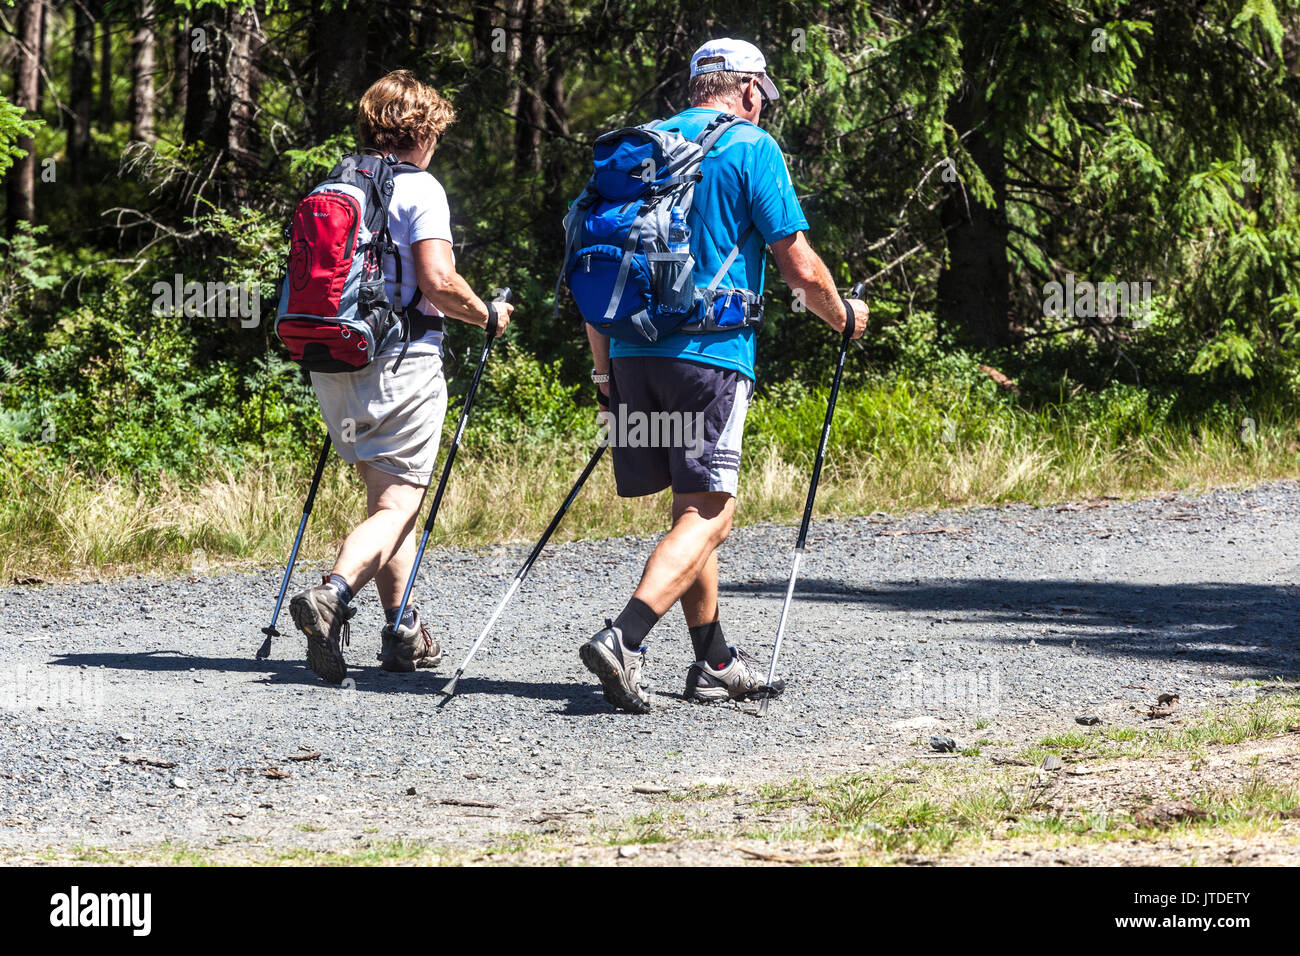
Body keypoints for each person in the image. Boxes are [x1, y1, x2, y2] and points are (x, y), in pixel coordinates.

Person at [578, 38, 868, 713]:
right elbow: (796, 261)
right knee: (712, 513)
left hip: (628, 352)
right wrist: (844, 318)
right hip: (709, 355)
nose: (764, 108)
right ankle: (626, 638)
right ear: (745, 90)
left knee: (688, 509)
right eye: (763, 95)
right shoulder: (749, 148)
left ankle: (714, 661)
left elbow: (590, 261)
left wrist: (602, 371)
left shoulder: (639, 147)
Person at [288, 70, 514, 684]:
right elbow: (438, 282)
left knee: (386, 502)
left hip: (333, 364)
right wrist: (487, 315)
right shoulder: (421, 189)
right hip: (402, 362)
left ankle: (402, 629)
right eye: (435, 132)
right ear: (422, 131)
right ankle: (333, 593)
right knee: (397, 505)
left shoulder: (335, 183)